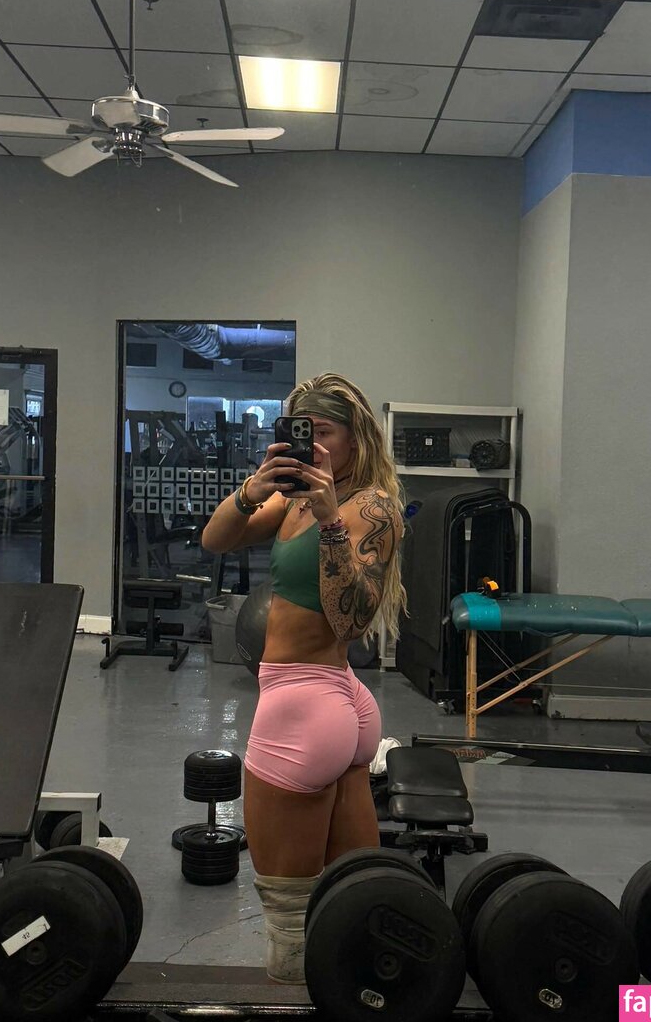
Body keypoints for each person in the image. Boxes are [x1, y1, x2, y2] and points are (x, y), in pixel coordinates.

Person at [201, 372, 407, 983]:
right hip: (334, 708)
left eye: (324, 433)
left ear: (355, 440)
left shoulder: (371, 507)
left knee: (289, 924)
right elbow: (215, 540)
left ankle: (305, 994)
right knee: (350, 898)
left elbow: (353, 618)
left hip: (303, 705)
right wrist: (253, 488)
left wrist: (330, 518)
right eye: (301, 432)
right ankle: (359, 991)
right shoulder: (289, 498)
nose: (311, 445)